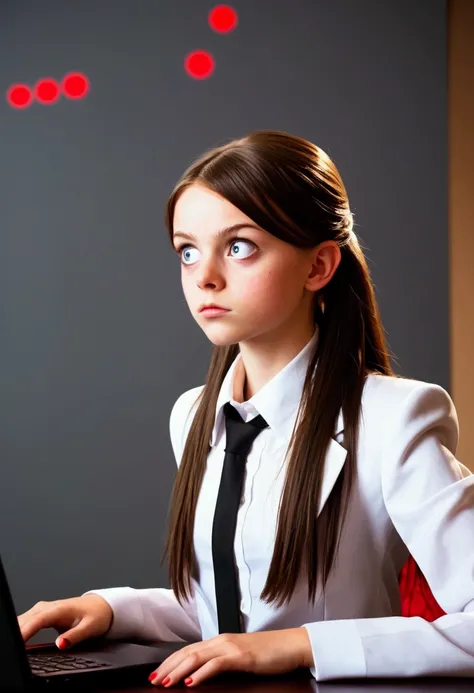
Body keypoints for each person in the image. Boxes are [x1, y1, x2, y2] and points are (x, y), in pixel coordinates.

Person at [18, 130, 474, 688]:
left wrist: (296, 645)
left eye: (238, 246)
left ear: (319, 266)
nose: (205, 275)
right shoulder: (193, 416)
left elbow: (275, 637)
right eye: (188, 251)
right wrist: (114, 609)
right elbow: (233, 612)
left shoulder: (392, 418)